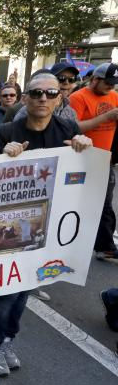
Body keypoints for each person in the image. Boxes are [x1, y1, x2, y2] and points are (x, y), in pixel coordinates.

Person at [0, 73, 91, 376]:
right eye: (36, 93)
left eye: (50, 93)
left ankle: (7, 339)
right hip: (11, 225)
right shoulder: (6, 130)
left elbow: (81, 175)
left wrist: (85, 148)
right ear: (25, 98)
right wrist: (4, 157)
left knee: (25, 288)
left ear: (59, 99)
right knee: (6, 290)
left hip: (47, 226)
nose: (43, 98)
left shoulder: (68, 128)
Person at [68, 62, 118, 261]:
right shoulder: (77, 97)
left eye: (114, 84)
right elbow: (73, 128)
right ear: (95, 79)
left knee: (105, 205)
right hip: (81, 159)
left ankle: (105, 246)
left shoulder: (114, 96)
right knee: (75, 203)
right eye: (107, 83)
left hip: (104, 159)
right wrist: (106, 116)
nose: (111, 87)